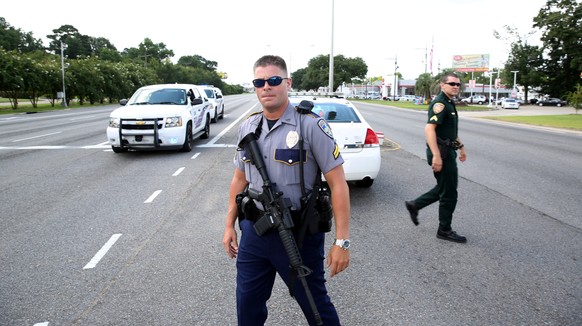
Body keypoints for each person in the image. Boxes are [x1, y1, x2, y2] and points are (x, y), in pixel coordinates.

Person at [222, 55, 351, 325]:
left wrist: (342, 242)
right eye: (259, 81)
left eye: (273, 80)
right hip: (255, 234)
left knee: (316, 307)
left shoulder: (311, 125)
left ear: (287, 83)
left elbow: (338, 183)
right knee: (247, 307)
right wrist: (228, 226)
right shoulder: (248, 127)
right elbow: (239, 179)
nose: (266, 86)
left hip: (298, 234)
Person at [405, 72, 468, 243]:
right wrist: (437, 157)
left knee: (445, 188)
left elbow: (450, 132)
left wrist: (461, 147)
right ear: (442, 85)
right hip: (442, 153)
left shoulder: (449, 102)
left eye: (457, 84)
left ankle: (415, 205)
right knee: (449, 194)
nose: (455, 86)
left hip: (448, 151)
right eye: (452, 84)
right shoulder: (440, 103)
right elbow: (429, 129)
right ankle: (444, 229)